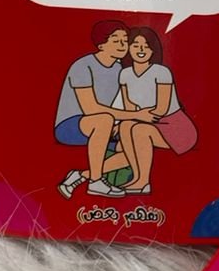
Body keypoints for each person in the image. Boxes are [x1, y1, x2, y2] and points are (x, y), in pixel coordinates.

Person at [55, 19, 159, 198]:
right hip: (71, 126)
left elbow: (120, 103)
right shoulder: (82, 66)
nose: (122, 45)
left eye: (125, 40)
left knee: (134, 148)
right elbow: (91, 108)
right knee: (104, 119)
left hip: (105, 125)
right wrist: (135, 115)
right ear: (101, 44)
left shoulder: (119, 69)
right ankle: (95, 182)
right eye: (116, 40)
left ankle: (80, 176)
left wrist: (121, 124)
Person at [115, 27, 197, 194]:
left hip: (175, 127)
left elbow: (162, 108)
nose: (141, 49)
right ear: (129, 48)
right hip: (146, 121)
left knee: (139, 130)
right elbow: (129, 107)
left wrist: (138, 116)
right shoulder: (125, 74)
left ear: (153, 50)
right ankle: (137, 177)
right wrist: (129, 118)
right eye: (136, 45)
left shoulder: (161, 72)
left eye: (146, 46)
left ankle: (144, 181)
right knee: (125, 126)